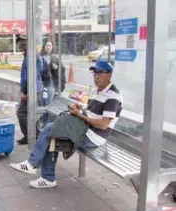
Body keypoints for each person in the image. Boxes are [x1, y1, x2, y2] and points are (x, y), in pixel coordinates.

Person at [10, 59, 123, 188]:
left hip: (94, 137)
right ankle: (43, 174)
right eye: (94, 73)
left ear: (109, 75)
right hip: (85, 129)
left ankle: (37, 168)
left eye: (100, 73)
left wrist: (79, 115)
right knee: (53, 130)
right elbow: (90, 112)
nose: (96, 76)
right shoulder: (97, 91)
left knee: (52, 131)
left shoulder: (113, 96)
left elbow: (103, 125)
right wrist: (80, 109)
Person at [17, 35, 46, 145]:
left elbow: (32, 76)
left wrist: (26, 92)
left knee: (21, 113)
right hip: (33, 89)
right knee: (31, 114)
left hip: (33, 90)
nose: (21, 44)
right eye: (20, 42)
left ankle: (31, 136)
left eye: (24, 41)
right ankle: (32, 136)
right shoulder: (29, 54)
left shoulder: (32, 55)